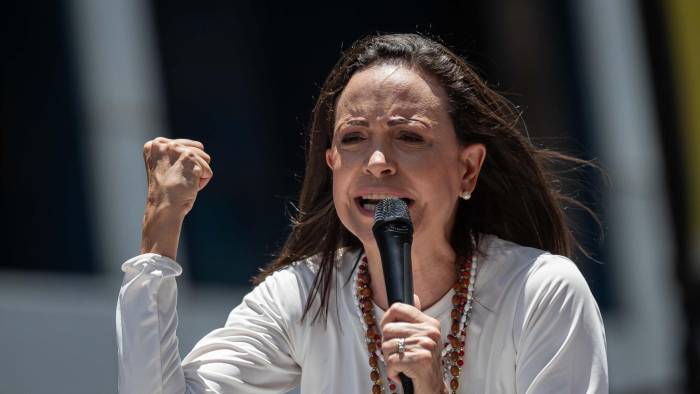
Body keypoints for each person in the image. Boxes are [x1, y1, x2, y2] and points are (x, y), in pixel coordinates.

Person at [117, 33, 608, 393]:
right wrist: (161, 227)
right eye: (353, 139)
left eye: (409, 137)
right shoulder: (303, 296)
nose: (377, 162)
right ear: (332, 165)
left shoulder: (542, 291)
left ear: (468, 169)